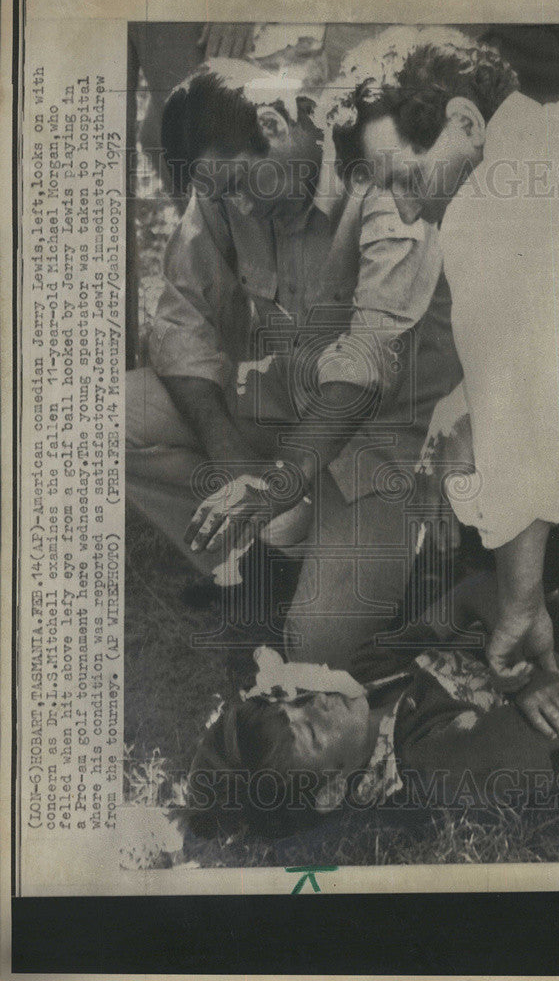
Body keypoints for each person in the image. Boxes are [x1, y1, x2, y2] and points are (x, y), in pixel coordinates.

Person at [125, 56, 462, 666]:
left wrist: (277, 479)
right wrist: (226, 450)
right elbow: (180, 320)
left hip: (387, 432)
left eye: (235, 183)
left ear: (275, 125)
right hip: (295, 395)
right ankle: (263, 556)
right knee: (116, 415)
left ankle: (411, 557)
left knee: (315, 649)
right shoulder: (229, 184)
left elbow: (365, 367)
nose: (236, 207)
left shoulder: (381, 173)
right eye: (219, 191)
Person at [327, 26, 559, 689]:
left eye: (406, 178)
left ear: (464, 120)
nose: (408, 208)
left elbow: (518, 431)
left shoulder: (484, 203)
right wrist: (468, 395)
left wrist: (520, 606)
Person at [185, 571, 559, 836]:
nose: (315, 701)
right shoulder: (435, 763)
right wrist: (534, 675)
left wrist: (517, 639)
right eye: (313, 733)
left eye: (291, 703)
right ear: (333, 789)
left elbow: (473, 590)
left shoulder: (373, 673)